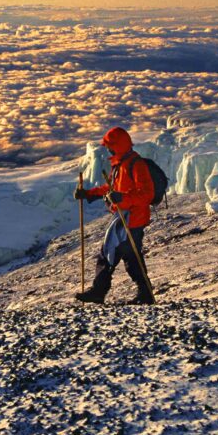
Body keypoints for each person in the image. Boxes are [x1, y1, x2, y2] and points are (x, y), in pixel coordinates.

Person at [73, 126, 155, 305]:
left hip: (133, 219)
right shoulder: (120, 164)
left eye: (110, 146)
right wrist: (89, 193)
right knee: (127, 256)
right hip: (123, 217)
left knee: (114, 253)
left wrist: (122, 198)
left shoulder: (135, 164)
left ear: (118, 146)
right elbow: (110, 188)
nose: (108, 149)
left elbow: (147, 194)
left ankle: (100, 291)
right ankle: (143, 293)